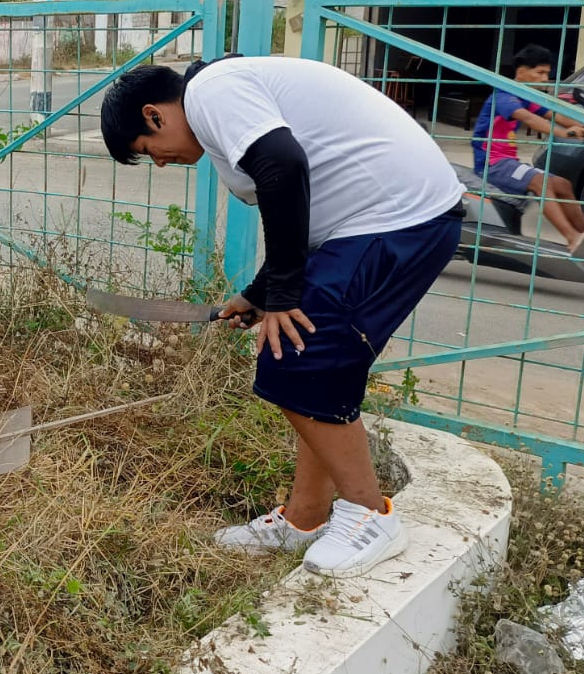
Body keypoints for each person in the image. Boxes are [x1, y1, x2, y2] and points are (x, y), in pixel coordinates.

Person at [101, 56, 466, 578]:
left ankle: (371, 516)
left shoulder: (211, 92)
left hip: (397, 218)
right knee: (315, 369)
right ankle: (304, 519)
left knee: (297, 355)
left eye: (145, 150)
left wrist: (285, 295)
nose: (158, 163)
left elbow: (284, 167)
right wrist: (261, 293)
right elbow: (300, 207)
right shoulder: (221, 100)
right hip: (380, 222)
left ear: (154, 115)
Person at [470, 44, 584, 248]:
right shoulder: (504, 95)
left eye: (547, 73)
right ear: (522, 71)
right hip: (492, 164)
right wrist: (565, 133)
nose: (545, 79)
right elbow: (528, 119)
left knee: (563, 185)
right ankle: (572, 237)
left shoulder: (523, 96)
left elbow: (554, 114)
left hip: (509, 162)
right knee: (540, 183)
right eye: (540, 72)